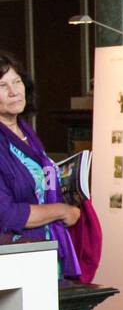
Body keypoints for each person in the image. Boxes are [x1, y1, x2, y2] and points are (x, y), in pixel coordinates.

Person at [0, 51, 82, 279]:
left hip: (45, 250)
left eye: (17, 82)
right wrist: (60, 211)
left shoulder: (26, 131)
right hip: (16, 260)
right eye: (2, 85)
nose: (14, 91)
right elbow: (6, 214)